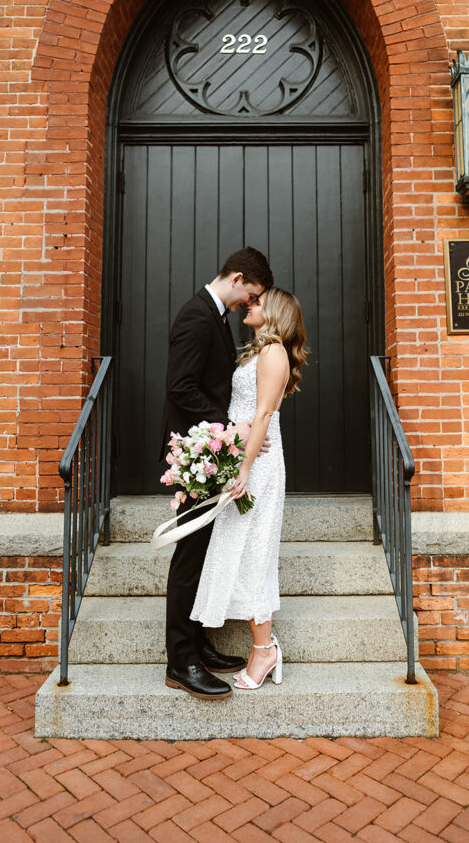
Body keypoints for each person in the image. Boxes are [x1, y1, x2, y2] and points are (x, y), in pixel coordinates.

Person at [162, 246, 274, 700]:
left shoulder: (216, 316)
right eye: (252, 294)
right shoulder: (196, 316)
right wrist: (232, 427)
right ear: (237, 278)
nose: (251, 303)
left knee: (203, 553)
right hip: (193, 456)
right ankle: (180, 660)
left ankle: (198, 645)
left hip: (210, 455)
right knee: (189, 556)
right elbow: (180, 388)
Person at [191, 287, 308, 690]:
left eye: (257, 302)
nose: (249, 304)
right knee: (239, 551)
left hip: (257, 467)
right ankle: (263, 646)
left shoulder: (274, 352)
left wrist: (242, 467)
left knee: (254, 553)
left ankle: (264, 650)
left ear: (274, 312)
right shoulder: (260, 351)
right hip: (247, 459)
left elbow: (262, 414)